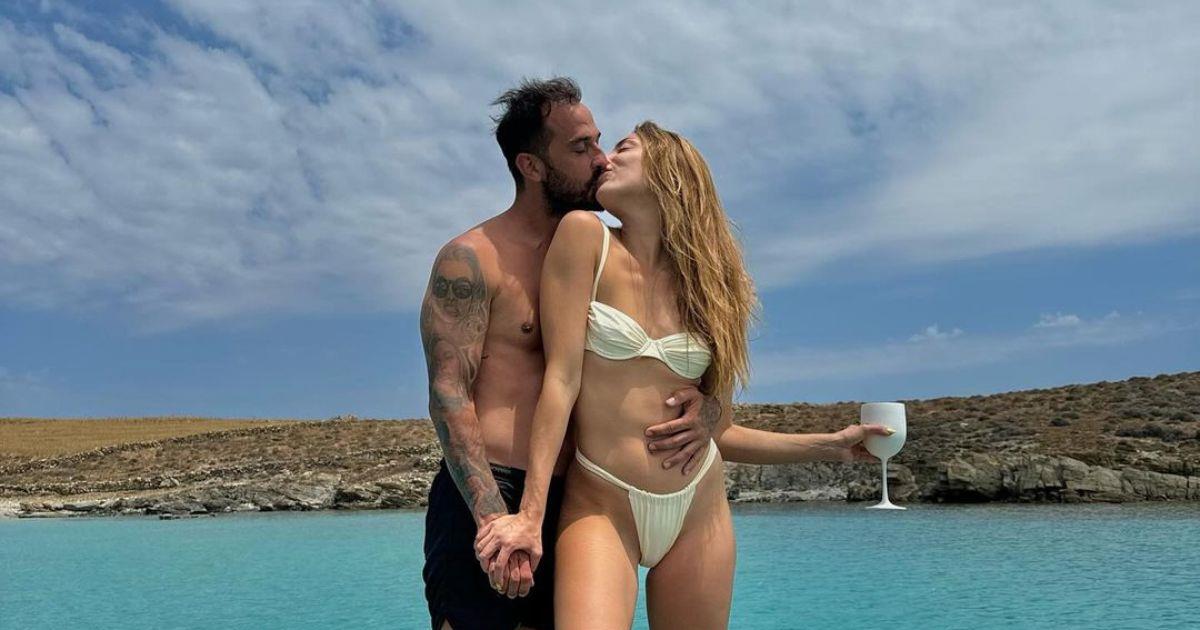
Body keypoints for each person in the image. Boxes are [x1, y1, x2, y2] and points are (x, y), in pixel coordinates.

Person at [474, 122, 894, 628]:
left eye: (624, 148)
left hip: (699, 508)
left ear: (669, 173)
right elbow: (560, 382)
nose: (605, 159)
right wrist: (530, 516)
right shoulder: (586, 236)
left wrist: (832, 445)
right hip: (602, 504)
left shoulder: (713, 285)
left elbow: (718, 431)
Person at [419, 79, 721, 630]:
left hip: (581, 494)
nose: (601, 159)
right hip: (494, 488)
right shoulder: (472, 259)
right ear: (531, 166)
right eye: (581, 148)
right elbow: (448, 394)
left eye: (599, 141)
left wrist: (708, 409)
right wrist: (496, 520)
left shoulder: (608, 251)